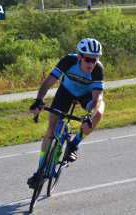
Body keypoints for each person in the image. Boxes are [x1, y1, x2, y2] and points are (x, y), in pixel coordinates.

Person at [27, 38, 105, 187]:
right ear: (79, 56)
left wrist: (90, 115)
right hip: (66, 92)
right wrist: (39, 100)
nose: (91, 64)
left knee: (99, 113)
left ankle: (73, 145)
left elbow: (97, 97)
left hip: (86, 96)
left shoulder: (98, 69)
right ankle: (38, 172)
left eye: (94, 60)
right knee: (51, 128)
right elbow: (49, 81)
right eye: (87, 59)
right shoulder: (69, 60)